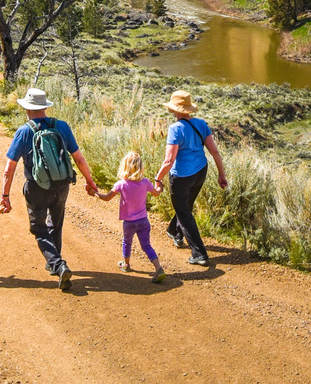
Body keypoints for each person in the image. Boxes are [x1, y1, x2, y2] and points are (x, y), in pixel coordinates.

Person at [0, 87, 99, 290]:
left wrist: (5, 195)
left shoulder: (25, 131)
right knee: (56, 222)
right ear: (45, 107)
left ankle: (58, 265)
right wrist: (90, 181)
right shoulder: (61, 126)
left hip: (37, 187)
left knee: (38, 228)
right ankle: (55, 264)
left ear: (27, 109)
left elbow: (10, 168)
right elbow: (78, 158)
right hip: (62, 184)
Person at [154, 90, 228, 267]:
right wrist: (221, 174)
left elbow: (169, 160)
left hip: (181, 177)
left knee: (184, 212)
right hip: (201, 171)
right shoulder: (201, 124)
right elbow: (215, 152)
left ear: (175, 110)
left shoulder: (175, 129)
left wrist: (158, 178)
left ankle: (199, 254)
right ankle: (175, 232)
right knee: (185, 206)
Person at [96, 150, 167, 283]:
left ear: (125, 166)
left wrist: (95, 193)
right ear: (140, 167)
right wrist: (160, 187)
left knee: (127, 242)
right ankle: (158, 268)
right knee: (146, 246)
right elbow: (156, 193)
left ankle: (126, 264)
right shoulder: (145, 182)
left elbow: (106, 198)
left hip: (129, 223)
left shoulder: (121, 184)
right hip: (143, 221)